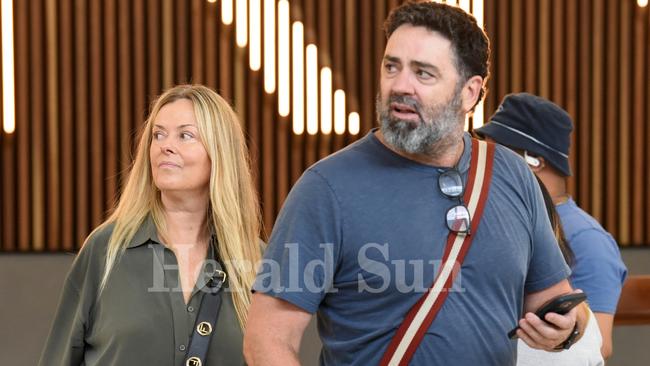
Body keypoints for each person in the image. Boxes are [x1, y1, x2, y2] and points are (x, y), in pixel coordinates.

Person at [244, 2, 587, 365]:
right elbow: (267, 341)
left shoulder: (513, 174)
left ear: (470, 93)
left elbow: (556, 301)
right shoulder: (326, 188)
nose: (399, 85)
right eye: (392, 67)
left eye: (423, 73)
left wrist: (566, 330)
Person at [39, 84, 262, 365]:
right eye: (158, 134)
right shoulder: (105, 250)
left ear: (219, 153)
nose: (165, 146)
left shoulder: (257, 261)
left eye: (185, 135)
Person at [475, 92, 628, 360]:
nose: (482, 163)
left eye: (496, 152)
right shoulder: (499, 222)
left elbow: (598, 345)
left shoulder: (587, 239)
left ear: (534, 162)